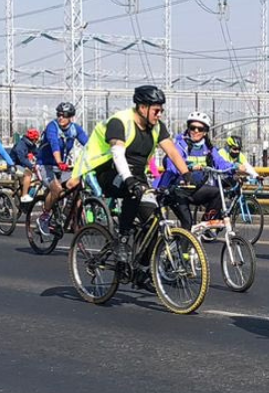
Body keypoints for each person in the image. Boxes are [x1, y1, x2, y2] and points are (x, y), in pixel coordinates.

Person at [72, 85, 190, 266]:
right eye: (157, 110)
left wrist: (186, 174)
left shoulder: (157, 127)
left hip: (137, 175)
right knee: (133, 192)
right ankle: (122, 238)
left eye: (161, 111)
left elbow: (172, 151)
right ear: (143, 107)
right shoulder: (120, 121)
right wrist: (129, 181)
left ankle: (144, 270)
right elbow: (118, 155)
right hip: (109, 171)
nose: (160, 114)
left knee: (151, 219)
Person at [156, 111, 233, 230]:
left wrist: (237, 168)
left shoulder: (208, 149)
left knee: (217, 193)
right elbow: (172, 164)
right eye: (193, 127)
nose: (196, 131)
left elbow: (221, 163)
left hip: (193, 189)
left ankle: (205, 227)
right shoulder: (180, 145)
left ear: (205, 132)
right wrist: (189, 168)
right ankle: (184, 245)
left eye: (200, 129)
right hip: (176, 190)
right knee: (187, 223)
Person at [37, 101, 89, 225]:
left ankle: (69, 215)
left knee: (77, 183)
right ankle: (43, 218)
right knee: (57, 188)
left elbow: (88, 144)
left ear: (71, 117)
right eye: (59, 114)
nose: (61, 118)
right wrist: (59, 161)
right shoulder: (52, 126)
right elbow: (54, 144)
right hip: (45, 165)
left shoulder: (75, 129)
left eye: (64, 115)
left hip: (61, 167)